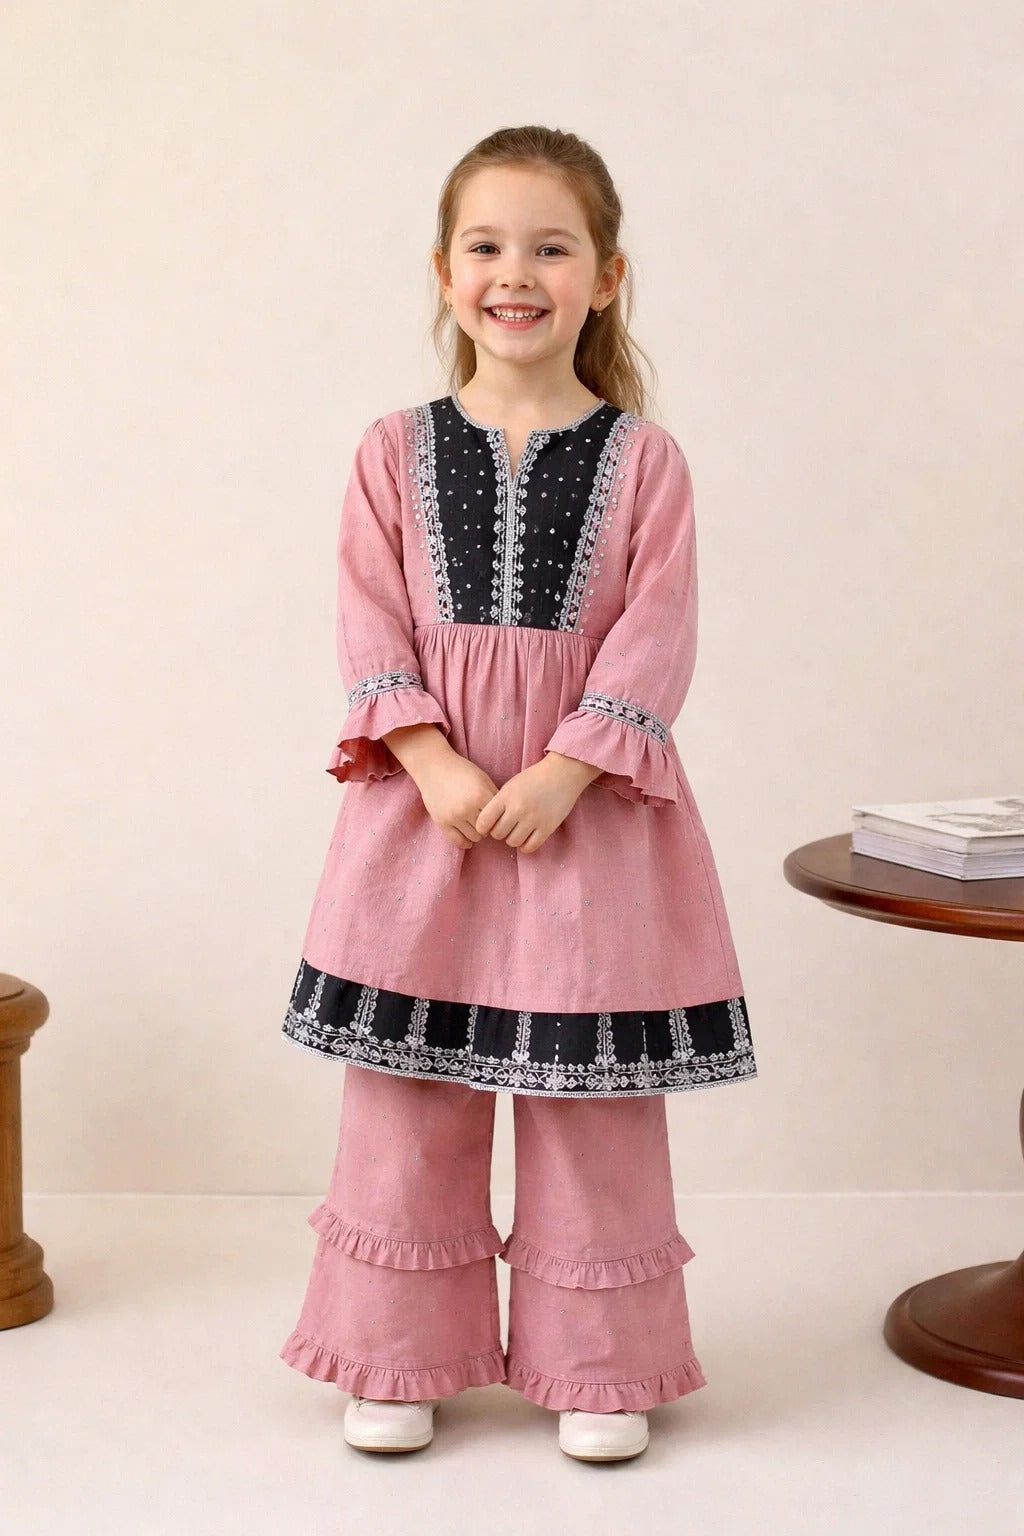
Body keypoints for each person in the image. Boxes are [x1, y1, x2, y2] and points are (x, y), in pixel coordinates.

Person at [278, 124, 758, 1463]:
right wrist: (432, 760)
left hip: (584, 824)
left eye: (551, 247)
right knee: (406, 1097)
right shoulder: (390, 450)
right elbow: (368, 617)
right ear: (445, 272)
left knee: (589, 1107)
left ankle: (600, 1366)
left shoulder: (647, 461)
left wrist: (565, 768)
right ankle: (396, 1354)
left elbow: (658, 633)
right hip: (420, 814)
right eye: (486, 246)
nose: (516, 272)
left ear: (605, 277)